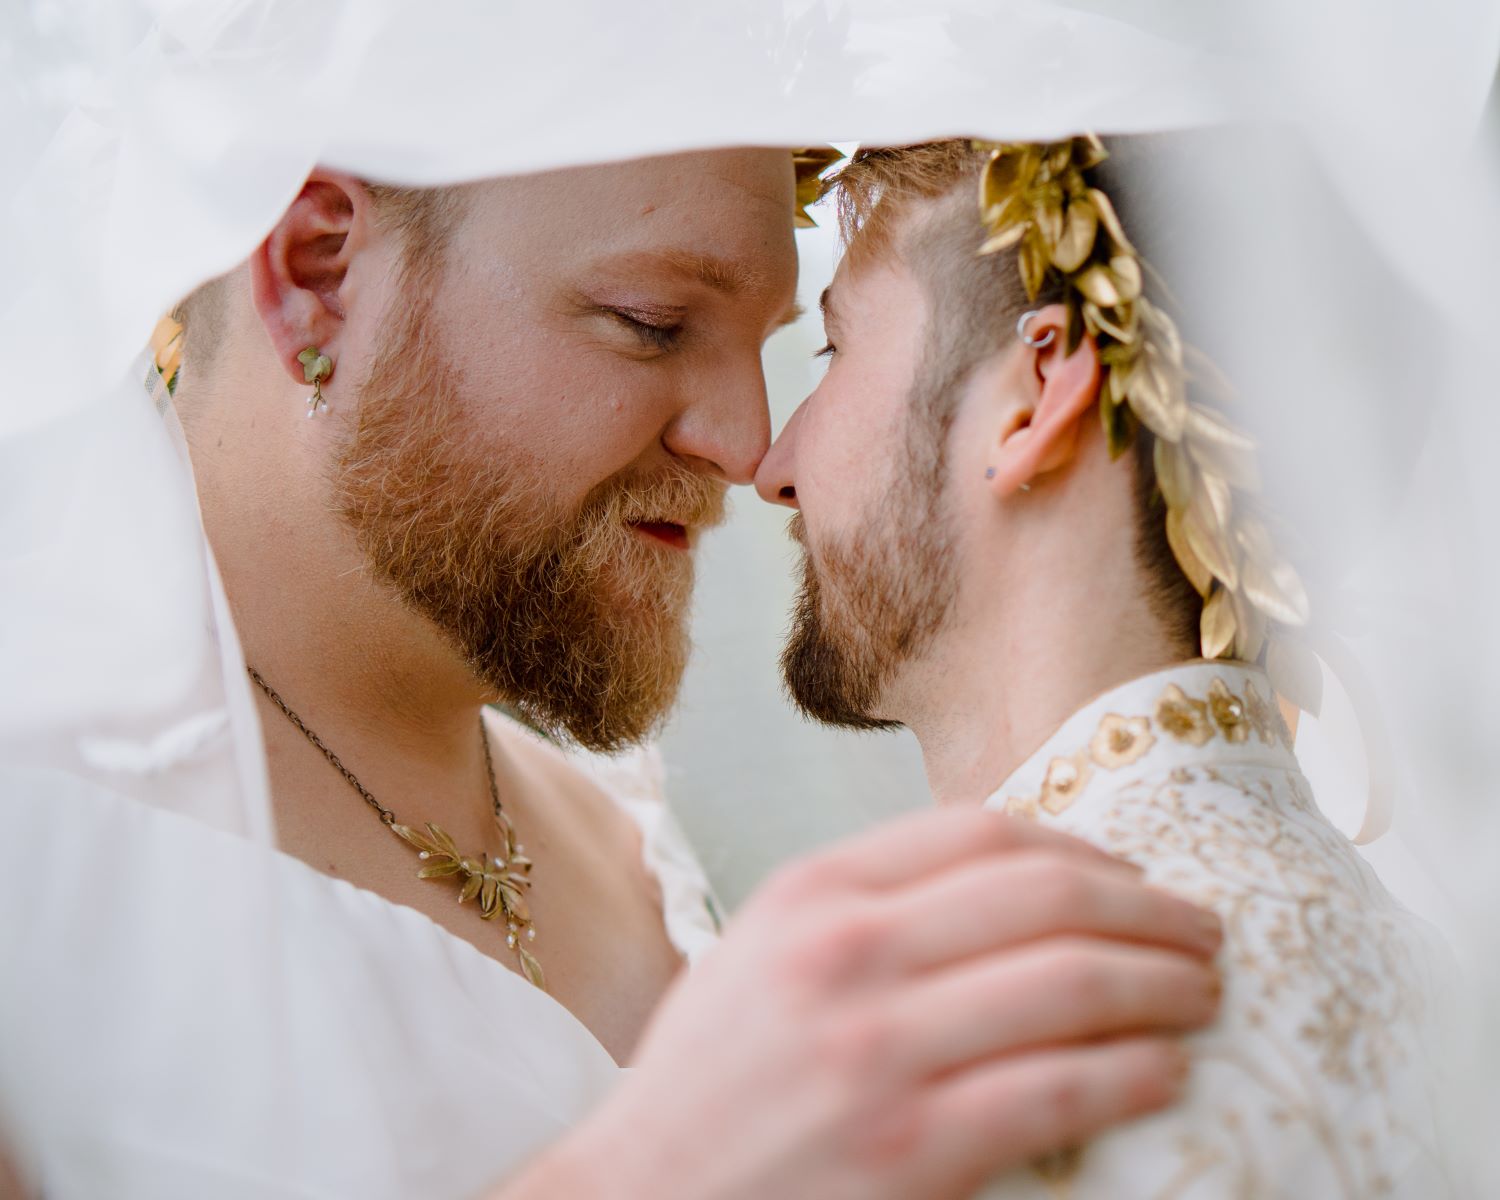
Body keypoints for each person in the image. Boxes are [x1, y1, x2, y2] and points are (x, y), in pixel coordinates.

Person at [0, 145, 1226, 1199]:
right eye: (653, 324)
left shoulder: (621, 829)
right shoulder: (37, 837)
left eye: (780, 348)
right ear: (318, 272)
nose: (749, 447)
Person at [754, 135, 1452, 1196]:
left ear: (1040, 391)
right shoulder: (1425, 980)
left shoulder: (1022, 1036)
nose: (775, 467)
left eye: (834, 351)